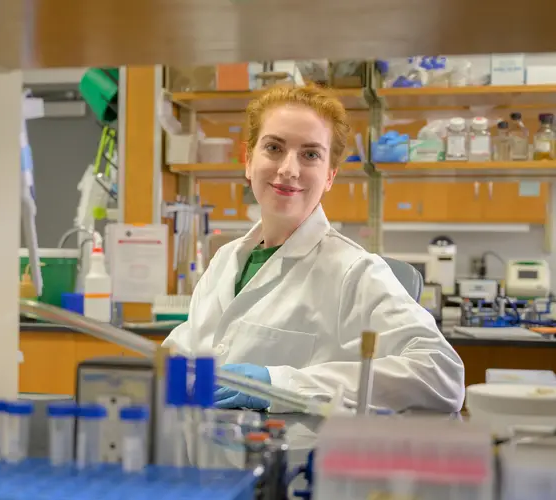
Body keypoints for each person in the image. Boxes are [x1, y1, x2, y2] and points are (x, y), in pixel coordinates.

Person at [162, 84, 465, 413]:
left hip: (293, 460)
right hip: (200, 454)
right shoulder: (225, 259)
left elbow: (441, 374)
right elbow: (189, 345)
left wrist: (278, 386)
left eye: (310, 155)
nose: (288, 169)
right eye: (274, 148)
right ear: (248, 160)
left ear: (330, 175)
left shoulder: (354, 271)